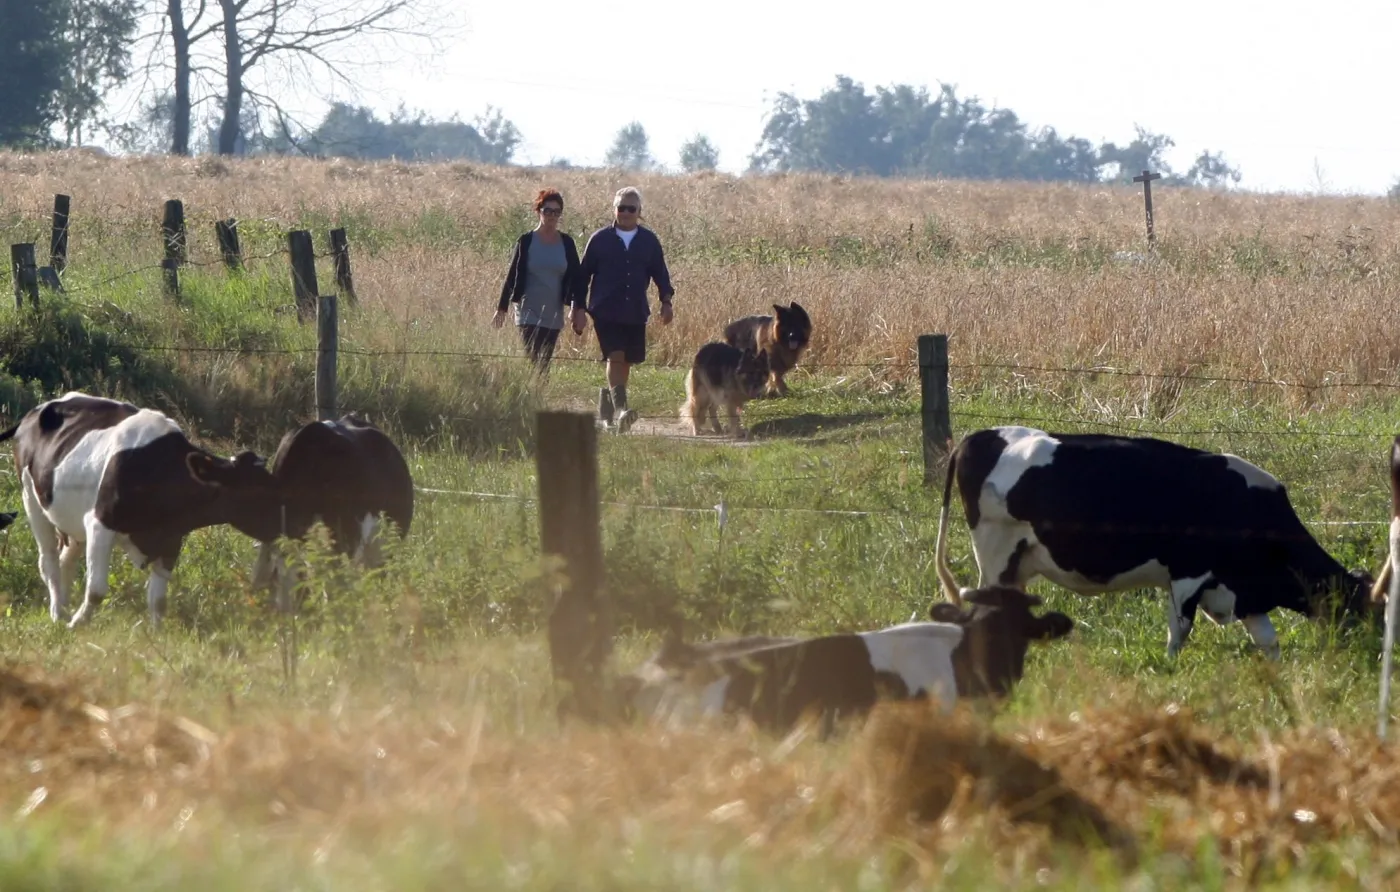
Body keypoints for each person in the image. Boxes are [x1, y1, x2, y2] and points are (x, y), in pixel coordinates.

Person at [568, 186, 674, 431]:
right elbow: (582, 277)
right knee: (615, 356)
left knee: (625, 361)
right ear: (614, 210)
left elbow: (661, 273)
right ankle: (622, 409)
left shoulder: (649, 241)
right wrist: (578, 308)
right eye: (621, 208)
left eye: (631, 208)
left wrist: (666, 302)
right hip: (605, 310)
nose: (625, 213)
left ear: (639, 212)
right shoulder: (600, 240)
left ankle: (607, 411)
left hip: (635, 310)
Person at [494, 188, 581, 373]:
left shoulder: (567, 243)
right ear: (538, 211)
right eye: (547, 211)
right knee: (534, 356)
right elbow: (512, 275)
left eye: (556, 212)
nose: (551, 216)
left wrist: (577, 307)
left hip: (553, 313)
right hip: (528, 311)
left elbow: (577, 279)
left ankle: (539, 395)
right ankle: (533, 395)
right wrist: (501, 308)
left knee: (544, 361)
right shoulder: (526, 241)